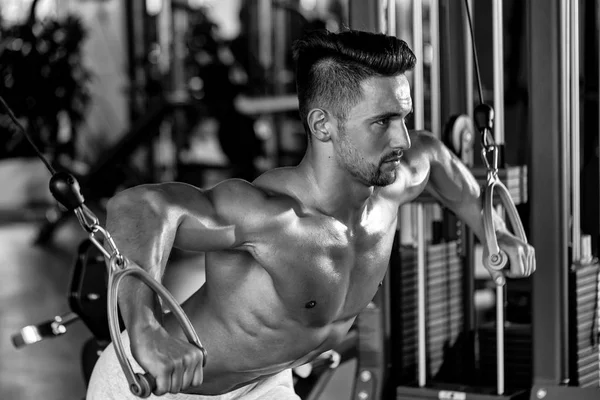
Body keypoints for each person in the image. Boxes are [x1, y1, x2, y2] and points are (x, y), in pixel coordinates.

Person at [87, 29, 536, 399]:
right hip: (155, 388)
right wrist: (145, 329)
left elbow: (436, 160)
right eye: (382, 122)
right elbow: (138, 205)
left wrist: (493, 230)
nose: (401, 139)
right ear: (322, 125)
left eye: (403, 117)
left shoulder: (394, 184)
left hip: (264, 384)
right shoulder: (270, 220)